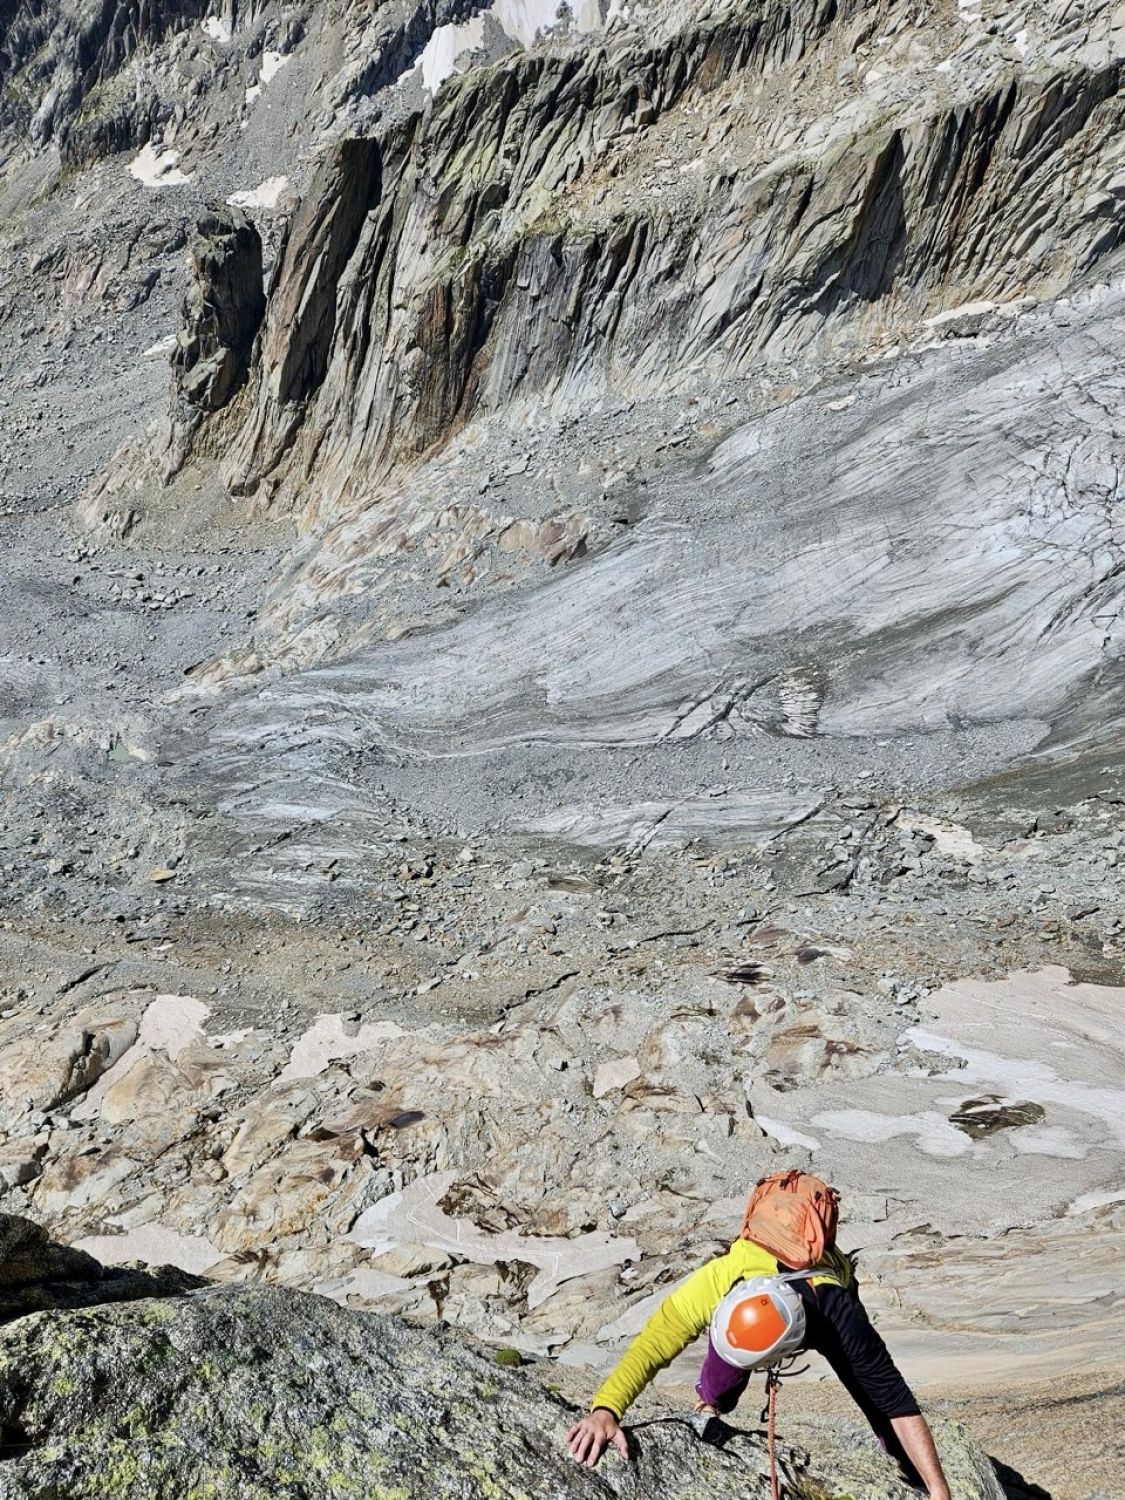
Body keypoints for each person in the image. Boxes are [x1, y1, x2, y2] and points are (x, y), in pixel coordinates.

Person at [566, 1169, 952, 1500]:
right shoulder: (721, 1279)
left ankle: (909, 1472)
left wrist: (937, 1489)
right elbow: (654, 1343)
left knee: (868, 1388)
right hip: (757, 1300)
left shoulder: (837, 1311)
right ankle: (710, 1402)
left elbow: (894, 1400)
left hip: (821, 1304)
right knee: (722, 1380)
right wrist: (606, 1410)